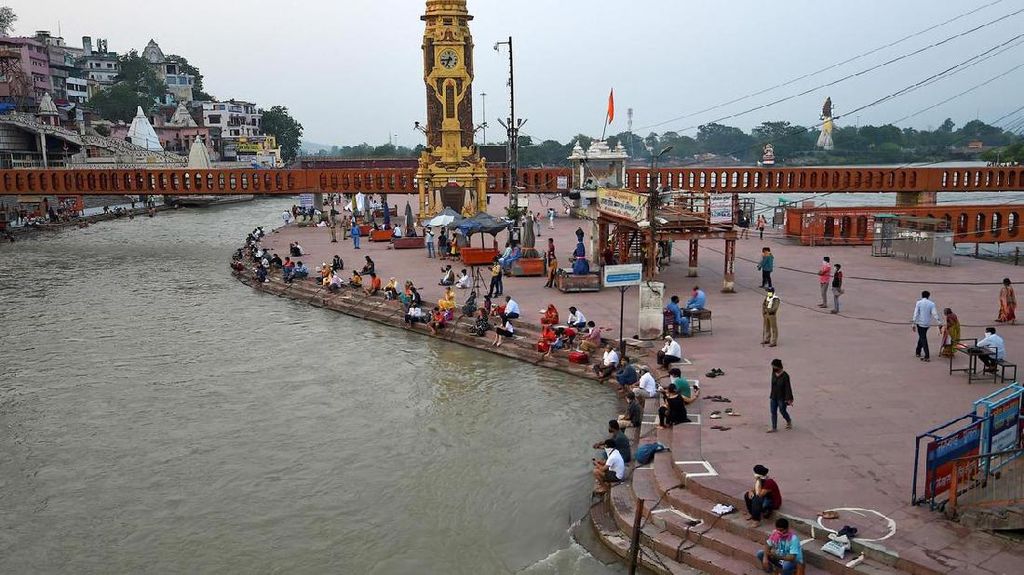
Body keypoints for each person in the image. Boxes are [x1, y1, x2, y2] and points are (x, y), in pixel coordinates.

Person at [912, 290, 941, 362]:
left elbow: (915, 313)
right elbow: (935, 313)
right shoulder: (931, 304)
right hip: (927, 324)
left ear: (922, 295)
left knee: (923, 338)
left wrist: (913, 324)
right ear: (928, 296)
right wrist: (939, 322)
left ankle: (927, 355)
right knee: (922, 337)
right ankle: (918, 351)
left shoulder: (919, 303)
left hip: (920, 324)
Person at [767, 359, 793, 433]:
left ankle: (788, 420)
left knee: (782, 411)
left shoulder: (785, 376)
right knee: (773, 412)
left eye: (774, 367)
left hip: (781, 397)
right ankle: (774, 427)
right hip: (773, 396)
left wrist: (789, 399)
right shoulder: (773, 373)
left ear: (779, 367)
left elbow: (788, 388)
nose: (773, 368)